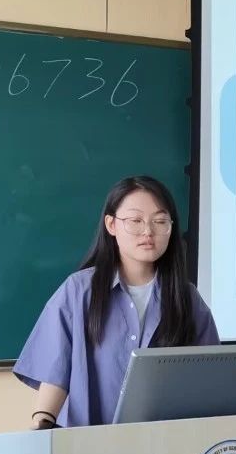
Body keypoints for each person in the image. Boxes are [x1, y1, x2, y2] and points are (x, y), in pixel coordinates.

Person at [14, 175, 219, 429]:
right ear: (111, 225)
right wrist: (43, 421)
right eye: (135, 221)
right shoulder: (78, 290)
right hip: (87, 442)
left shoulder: (186, 297)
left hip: (164, 441)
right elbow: (55, 372)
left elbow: (209, 377)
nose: (148, 231)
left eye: (160, 221)